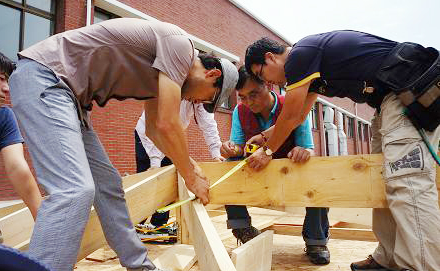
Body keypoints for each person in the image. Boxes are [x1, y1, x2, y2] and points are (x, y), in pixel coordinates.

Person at [8, 18, 238, 271]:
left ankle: (140, 266)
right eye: (206, 100)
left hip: (70, 100)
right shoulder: (180, 45)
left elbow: (153, 129)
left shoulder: (163, 73)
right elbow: (167, 124)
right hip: (46, 78)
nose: (197, 103)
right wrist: (190, 177)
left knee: (108, 186)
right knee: (74, 190)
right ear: (212, 74)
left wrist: (191, 166)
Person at [244, 33, 440, 271]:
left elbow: (292, 115)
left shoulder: (299, 56)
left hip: (407, 95)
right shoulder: (309, 67)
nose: (269, 83)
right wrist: (265, 137)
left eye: (261, 74)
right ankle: (389, 258)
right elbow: (301, 115)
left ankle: (425, 265)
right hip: (389, 102)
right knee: (381, 182)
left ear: (270, 58)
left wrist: (267, 151)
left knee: (407, 183)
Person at [220, 66, 330, 264]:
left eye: (253, 94)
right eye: (242, 97)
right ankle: (242, 227)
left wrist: (303, 151)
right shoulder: (240, 110)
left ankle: (316, 240)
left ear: (268, 84)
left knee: (316, 171)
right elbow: (238, 147)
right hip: (258, 172)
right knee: (229, 165)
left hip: (290, 170)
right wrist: (231, 149)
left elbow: (308, 148)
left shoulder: (291, 105)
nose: (249, 102)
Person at [135, 99, 224, 227]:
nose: (201, 102)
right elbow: (158, 127)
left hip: (170, 138)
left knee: (170, 180)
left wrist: (216, 153)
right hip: (147, 138)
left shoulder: (204, 96)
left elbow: (208, 122)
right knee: (147, 181)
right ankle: (137, 224)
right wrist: (155, 162)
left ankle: (158, 225)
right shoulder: (174, 85)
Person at [0, 51, 42, 244]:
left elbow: (18, 169)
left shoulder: (4, 117)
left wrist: (45, 226)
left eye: (8, 81)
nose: (7, 88)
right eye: (1, 79)